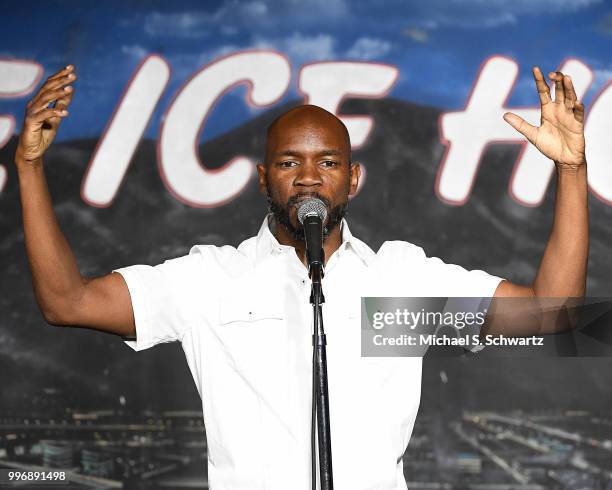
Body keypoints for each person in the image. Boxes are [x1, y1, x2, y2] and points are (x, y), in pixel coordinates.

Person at [15, 64, 588, 489]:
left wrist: (570, 169)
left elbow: (553, 314)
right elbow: (68, 301)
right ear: (264, 178)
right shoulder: (212, 282)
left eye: (328, 163)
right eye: (290, 163)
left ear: (353, 179)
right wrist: (31, 167)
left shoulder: (395, 288)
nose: (309, 178)